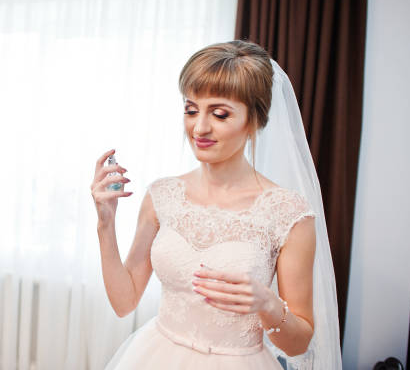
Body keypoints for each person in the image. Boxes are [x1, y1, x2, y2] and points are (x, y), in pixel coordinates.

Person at [90, 40, 341, 369]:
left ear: (254, 121)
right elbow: (125, 302)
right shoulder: (162, 195)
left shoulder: (288, 213)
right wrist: (105, 224)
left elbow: (299, 343)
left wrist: (267, 303)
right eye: (191, 109)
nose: (200, 127)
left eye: (219, 114)